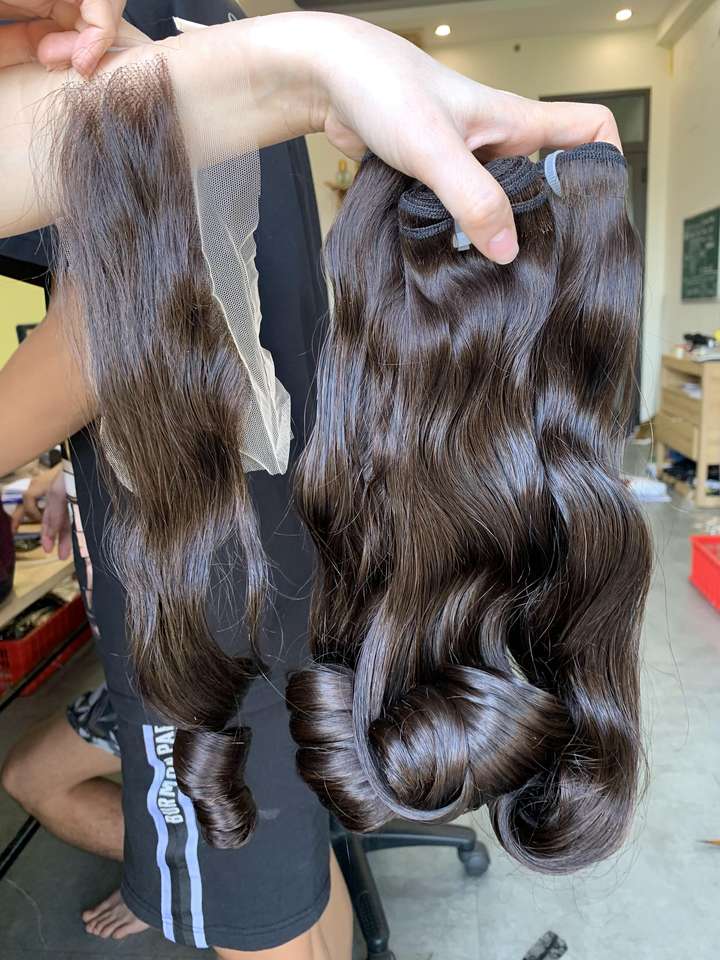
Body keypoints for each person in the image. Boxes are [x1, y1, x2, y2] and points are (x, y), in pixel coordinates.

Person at [0, 3, 622, 959]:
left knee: (255, 903)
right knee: (289, 856)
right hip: (288, 554)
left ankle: (191, 885)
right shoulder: (219, 46)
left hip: (198, 588)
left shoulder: (130, 59)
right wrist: (317, 61)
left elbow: (105, 338)